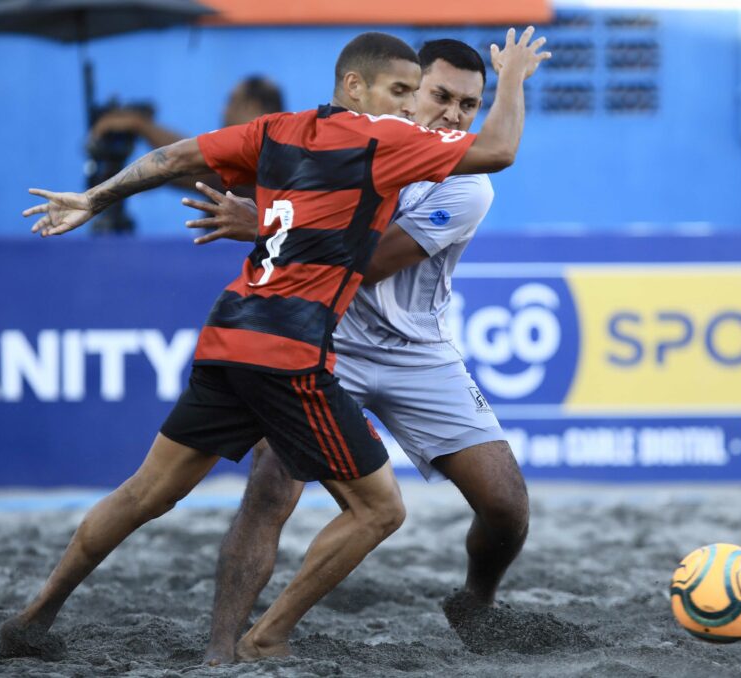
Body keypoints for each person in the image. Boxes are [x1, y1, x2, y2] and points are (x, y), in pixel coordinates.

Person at [4, 28, 550, 662]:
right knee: (367, 509)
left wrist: (97, 198)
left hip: (270, 334)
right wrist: (512, 75)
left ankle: (33, 619)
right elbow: (500, 148)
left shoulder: (285, 131)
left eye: (468, 104)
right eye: (416, 92)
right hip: (305, 348)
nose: (435, 110)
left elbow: (179, 158)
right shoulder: (388, 139)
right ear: (359, 85)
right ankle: (256, 639)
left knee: (144, 492)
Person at [180, 39, 531, 663]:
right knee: (269, 489)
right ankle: (221, 649)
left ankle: (476, 601)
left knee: (506, 506)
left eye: (468, 106)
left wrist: (261, 222)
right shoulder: (341, 142)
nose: (452, 115)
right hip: (323, 338)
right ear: (403, 90)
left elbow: (364, 261)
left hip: (416, 352)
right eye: (439, 96)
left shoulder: (469, 185)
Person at [91, 75, 285, 195]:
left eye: (231, 101)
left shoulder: (271, 160)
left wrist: (140, 125)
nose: (223, 110)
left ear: (252, 107)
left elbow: (197, 168)